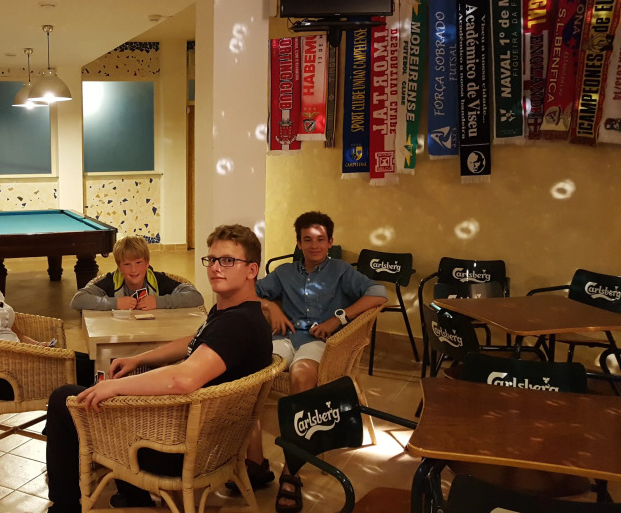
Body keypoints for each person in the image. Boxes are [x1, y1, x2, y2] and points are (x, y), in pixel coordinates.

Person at [45, 224, 273, 513]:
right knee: (114, 390)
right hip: (208, 439)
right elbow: (195, 340)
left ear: (252, 270)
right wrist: (140, 359)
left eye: (228, 260)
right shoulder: (236, 313)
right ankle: (134, 495)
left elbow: (182, 379)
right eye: (213, 259)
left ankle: (64, 507)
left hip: (178, 450)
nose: (216, 267)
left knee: (64, 399)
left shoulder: (236, 325)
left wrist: (113, 387)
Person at [254, 211, 387, 513]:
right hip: (286, 337)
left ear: (330, 242)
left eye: (320, 239)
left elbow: (379, 294)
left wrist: (338, 318)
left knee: (301, 376)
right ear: (298, 243)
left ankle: (291, 473)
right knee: (253, 372)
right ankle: (255, 463)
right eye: (307, 240)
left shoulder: (341, 271)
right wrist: (270, 307)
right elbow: (249, 293)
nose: (314, 245)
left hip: (320, 342)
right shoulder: (284, 272)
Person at [0, 234, 94, 397]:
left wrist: (37, 345)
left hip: (22, 361)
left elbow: (16, 334)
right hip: (2, 376)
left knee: (92, 362)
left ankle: (85, 407)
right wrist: (27, 356)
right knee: (88, 369)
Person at [70, 236, 204, 311]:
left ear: (147, 263)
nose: (133, 270)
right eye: (127, 264)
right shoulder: (110, 282)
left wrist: (158, 302)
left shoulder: (158, 280)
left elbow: (196, 297)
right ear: (119, 267)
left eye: (138, 263)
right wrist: (115, 303)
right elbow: (78, 300)